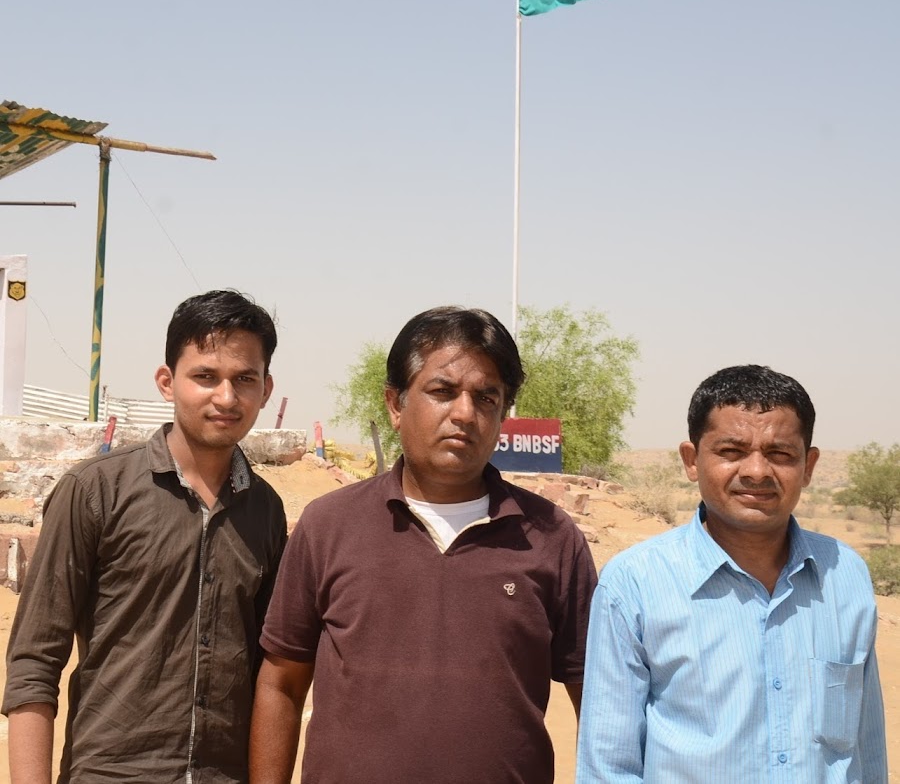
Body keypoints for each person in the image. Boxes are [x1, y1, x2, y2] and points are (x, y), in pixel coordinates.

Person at [250, 306, 597, 784]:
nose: (465, 413)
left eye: (486, 397)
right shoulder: (328, 526)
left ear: (502, 414)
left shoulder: (552, 536)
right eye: (443, 391)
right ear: (395, 404)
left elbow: (595, 703)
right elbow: (281, 685)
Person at [3, 290, 287, 783]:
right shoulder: (95, 491)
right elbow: (34, 661)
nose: (226, 397)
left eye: (244, 379)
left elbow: (271, 670)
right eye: (205, 376)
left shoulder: (266, 510)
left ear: (266, 389)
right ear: (166, 382)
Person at [576, 364, 887, 783]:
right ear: (692, 460)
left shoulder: (844, 574)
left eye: (780, 454)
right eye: (731, 452)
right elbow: (608, 768)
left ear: (808, 466)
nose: (757, 471)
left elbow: (866, 751)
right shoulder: (635, 584)